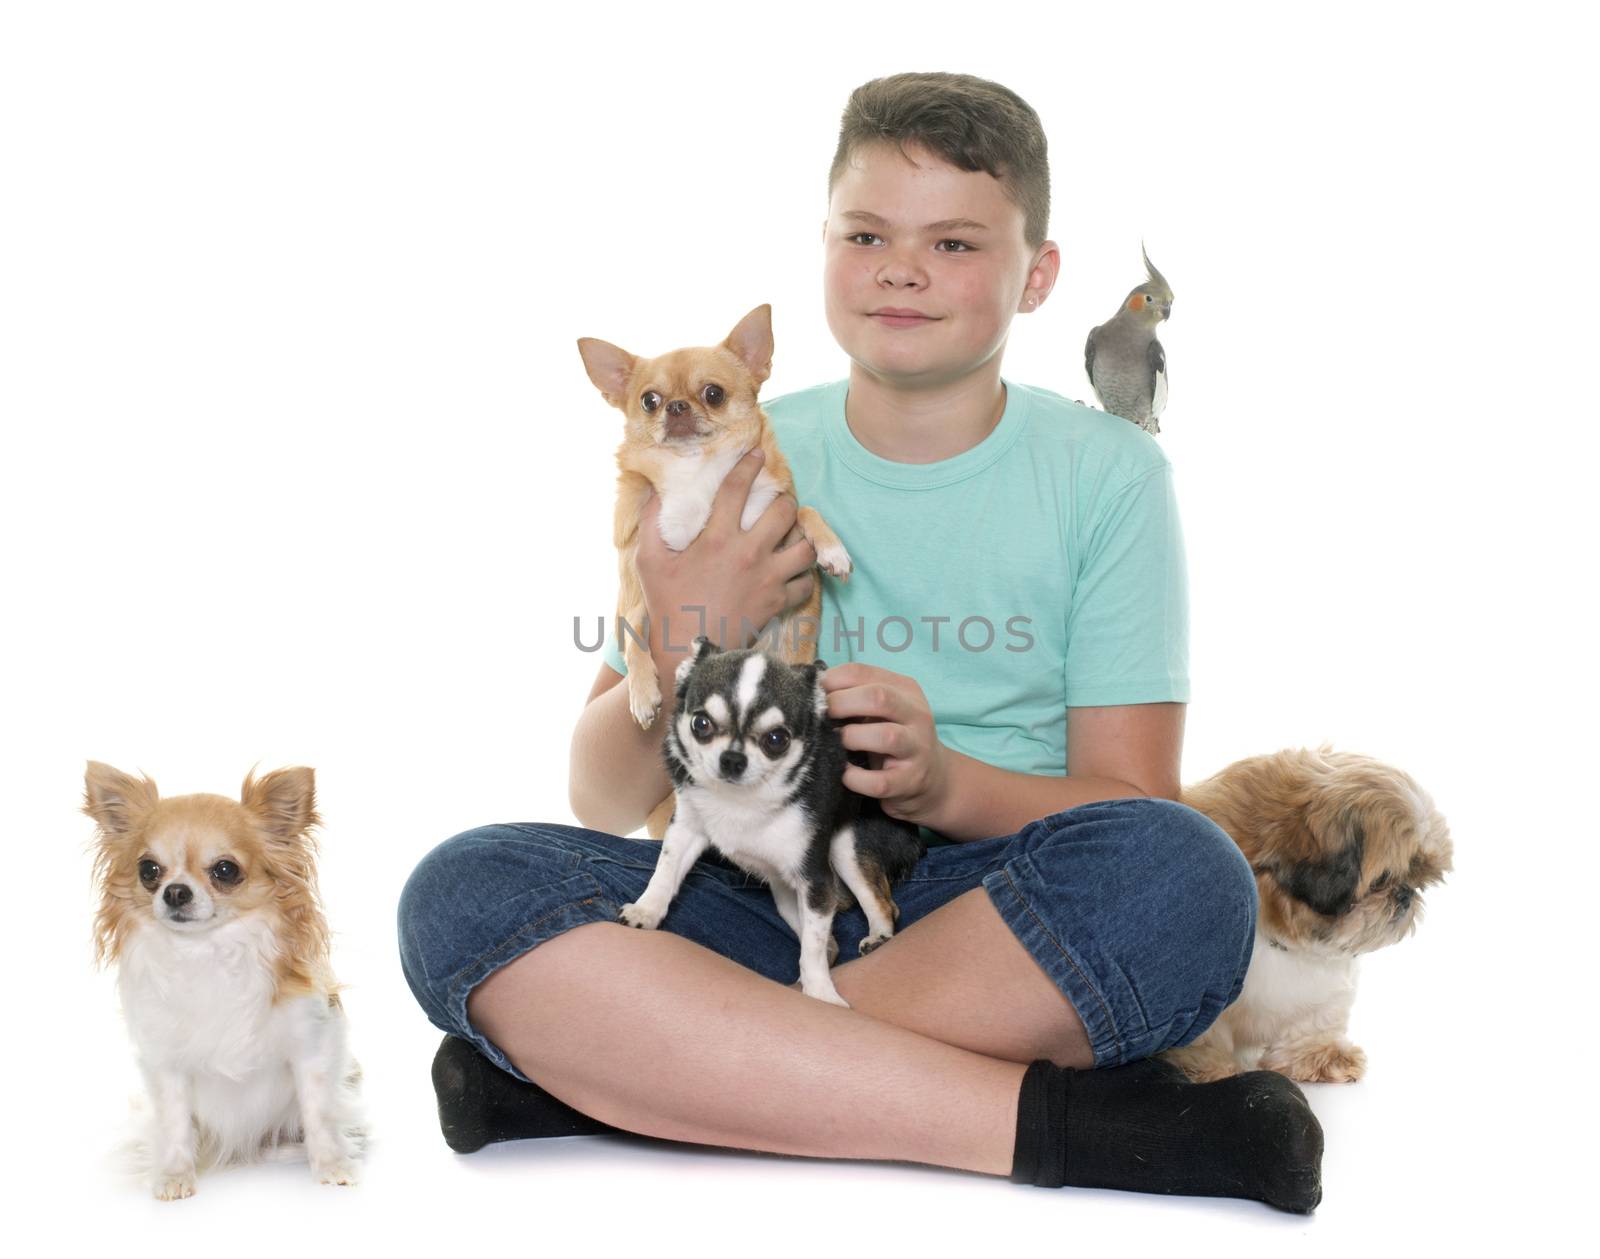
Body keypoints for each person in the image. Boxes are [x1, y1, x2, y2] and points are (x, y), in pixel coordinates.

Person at [397, 71, 1323, 1213]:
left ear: (1036, 277)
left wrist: (944, 781)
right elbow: (598, 795)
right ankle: (1089, 1128)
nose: (900, 266)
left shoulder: (1107, 474)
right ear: (823, 248)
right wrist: (691, 629)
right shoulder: (725, 443)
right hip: (758, 881)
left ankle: (617, 1077)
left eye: (953, 242)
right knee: (458, 892)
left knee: (1185, 878)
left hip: (990, 907)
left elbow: (1134, 802)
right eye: (867, 233)